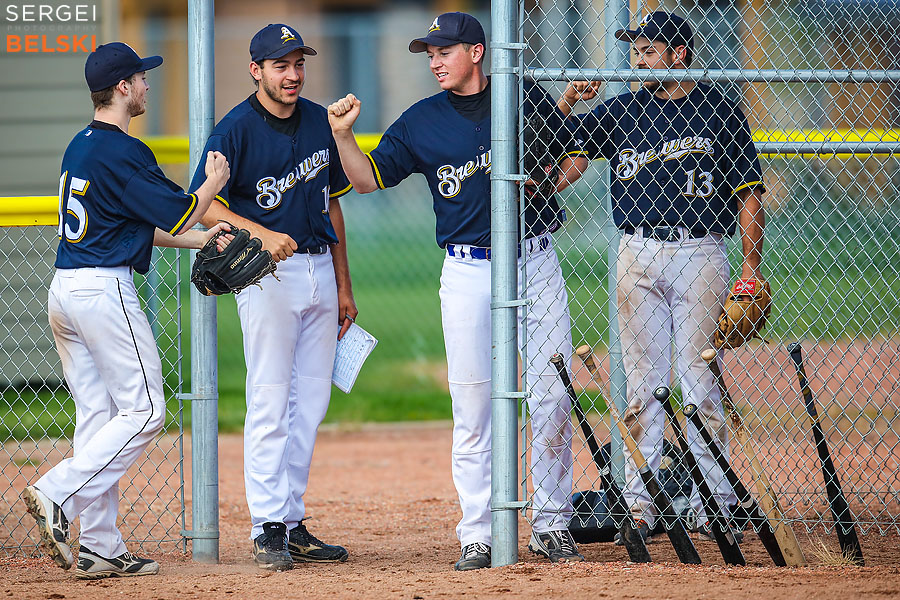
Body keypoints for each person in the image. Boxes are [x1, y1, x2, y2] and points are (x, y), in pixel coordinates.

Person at [327, 12, 588, 569]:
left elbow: (573, 155)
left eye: (443, 51)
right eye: (429, 54)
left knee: (552, 397)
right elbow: (366, 180)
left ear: (476, 51)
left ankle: (552, 524)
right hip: (467, 270)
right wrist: (344, 136)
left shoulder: (524, 98)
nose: (435, 61)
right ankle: (478, 533)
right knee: (472, 405)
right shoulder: (421, 120)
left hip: (535, 260)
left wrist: (550, 182)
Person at [22, 42, 231, 579]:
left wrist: (202, 239)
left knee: (98, 415)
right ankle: (56, 491)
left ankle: (99, 546)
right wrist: (213, 182)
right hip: (102, 290)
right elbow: (181, 211)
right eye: (140, 78)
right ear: (122, 88)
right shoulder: (124, 151)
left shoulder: (82, 145)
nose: (146, 85)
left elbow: (142, 225)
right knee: (146, 411)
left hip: (66, 290)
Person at [557, 11, 766, 542]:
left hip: (700, 250)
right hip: (637, 251)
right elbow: (564, 156)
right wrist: (568, 102)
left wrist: (751, 267)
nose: (639, 60)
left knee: (699, 383)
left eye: (650, 50)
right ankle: (640, 502)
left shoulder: (720, 109)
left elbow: (750, 194)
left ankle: (714, 502)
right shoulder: (622, 109)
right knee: (643, 386)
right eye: (636, 50)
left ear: (680, 54)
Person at [188, 24, 356, 571]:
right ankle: (267, 527)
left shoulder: (319, 121)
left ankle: (291, 519)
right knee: (270, 399)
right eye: (281, 65)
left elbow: (333, 204)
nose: (293, 74)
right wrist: (259, 233)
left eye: (298, 63)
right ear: (256, 70)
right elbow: (204, 206)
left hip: (320, 270)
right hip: (266, 276)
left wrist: (345, 285)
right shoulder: (234, 129)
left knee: (311, 403)